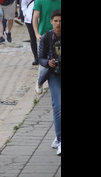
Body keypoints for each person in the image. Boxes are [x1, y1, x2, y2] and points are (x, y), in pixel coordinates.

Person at [36, 10, 61, 156]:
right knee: (58, 106)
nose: (58, 24)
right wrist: (48, 62)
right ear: (51, 22)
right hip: (54, 74)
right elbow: (41, 58)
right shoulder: (46, 37)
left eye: (60, 21)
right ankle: (59, 139)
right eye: (56, 21)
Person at [20, 0, 44, 65]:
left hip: (40, 17)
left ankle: (42, 55)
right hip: (29, 17)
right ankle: (35, 57)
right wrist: (25, 13)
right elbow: (24, 4)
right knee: (32, 37)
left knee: (41, 36)